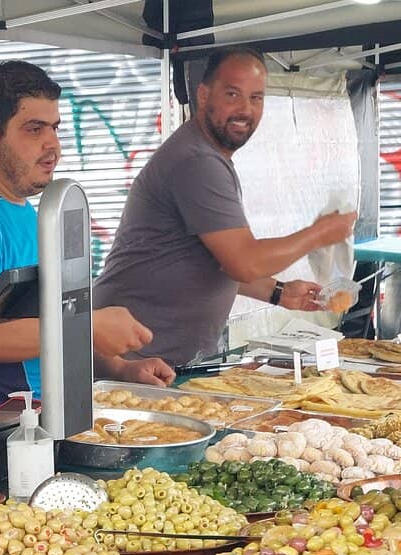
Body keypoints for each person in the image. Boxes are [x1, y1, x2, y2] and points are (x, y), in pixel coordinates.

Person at [0, 60, 174, 413]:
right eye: (34, 130)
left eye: (55, 129)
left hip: (38, 424)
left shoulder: (26, 213)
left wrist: (121, 368)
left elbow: (43, 327)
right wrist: (90, 326)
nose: (53, 145)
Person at [93, 47, 358, 368]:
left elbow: (217, 261)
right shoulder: (197, 161)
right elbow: (243, 263)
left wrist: (278, 293)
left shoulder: (207, 156)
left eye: (256, 98)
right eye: (233, 94)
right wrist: (320, 233)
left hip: (158, 361)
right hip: (128, 364)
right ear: (203, 95)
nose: (245, 109)